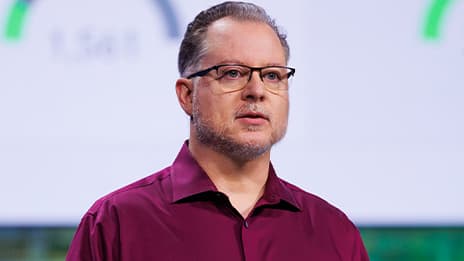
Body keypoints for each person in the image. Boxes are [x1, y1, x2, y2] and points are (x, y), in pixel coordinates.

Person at [66, 1, 369, 260]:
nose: (257, 91)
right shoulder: (114, 224)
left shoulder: (335, 234)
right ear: (187, 95)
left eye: (273, 75)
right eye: (232, 73)